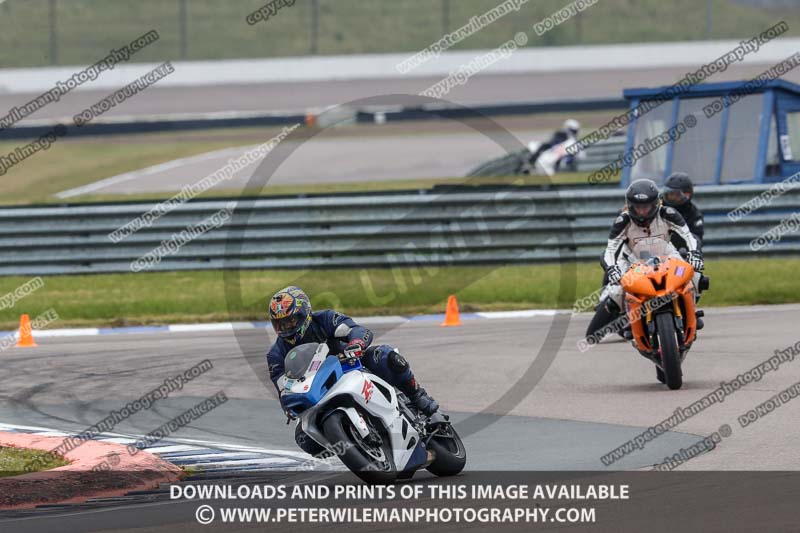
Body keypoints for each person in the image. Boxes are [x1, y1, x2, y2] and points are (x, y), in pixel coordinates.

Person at [266, 286, 439, 455]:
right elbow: (283, 388)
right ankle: (348, 445)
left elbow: (358, 330)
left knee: (386, 357)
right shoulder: (275, 354)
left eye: (290, 321)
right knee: (304, 439)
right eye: (280, 324)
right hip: (317, 390)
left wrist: (356, 344)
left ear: (305, 314)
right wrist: (288, 405)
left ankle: (417, 396)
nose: (286, 327)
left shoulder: (325, 319)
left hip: (350, 364)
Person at [586, 179, 705, 340]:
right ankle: (628, 320)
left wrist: (694, 254)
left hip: (666, 253)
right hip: (632, 259)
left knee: (693, 274)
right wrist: (611, 268)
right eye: (637, 207)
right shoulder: (623, 221)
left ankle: (692, 311)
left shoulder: (668, 214)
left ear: (655, 203)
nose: (642, 211)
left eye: (646, 207)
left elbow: (688, 236)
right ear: (630, 205)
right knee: (618, 291)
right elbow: (610, 249)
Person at [661, 171, 704, 250]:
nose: (673, 198)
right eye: (671, 194)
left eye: (677, 195)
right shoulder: (658, 207)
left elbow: (696, 241)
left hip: (680, 252)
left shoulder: (694, 214)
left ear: (687, 195)